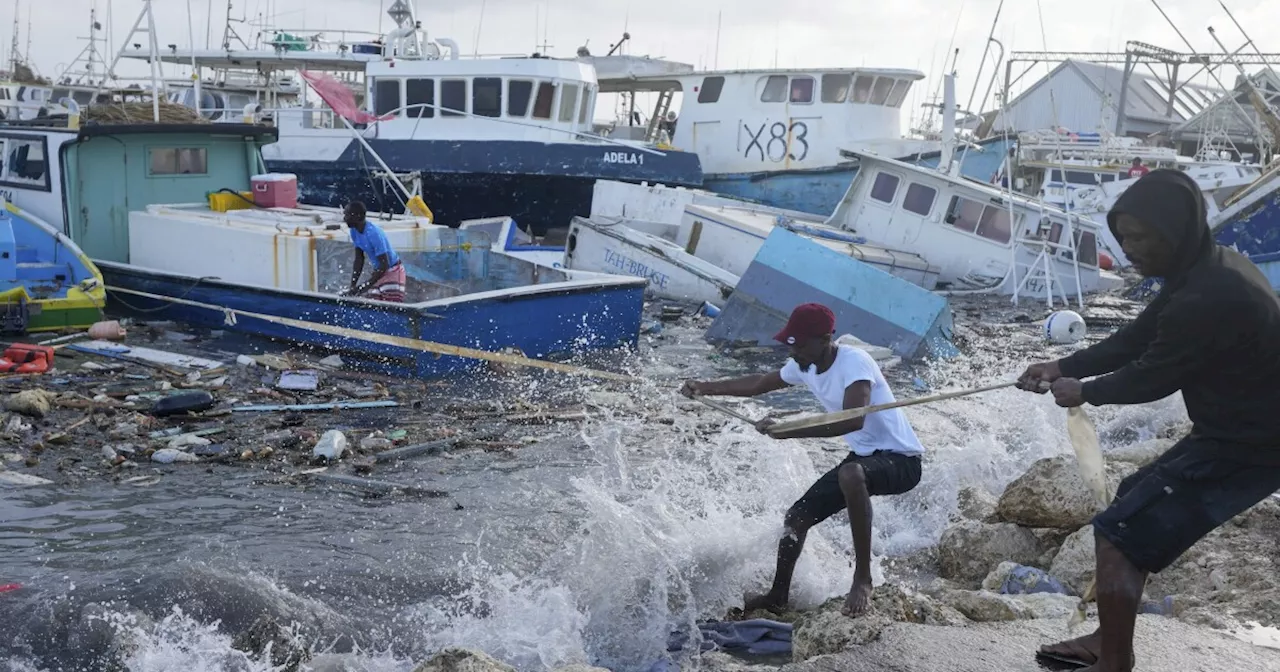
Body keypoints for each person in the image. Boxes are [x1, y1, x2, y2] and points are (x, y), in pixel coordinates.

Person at [1017, 169, 1280, 672]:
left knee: (1119, 531)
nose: (1129, 249)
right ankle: (1108, 638)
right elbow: (1135, 340)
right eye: (1123, 237)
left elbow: (1152, 377)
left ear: (1175, 229)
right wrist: (1061, 366)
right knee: (1133, 495)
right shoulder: (1205, 269)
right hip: (1241, 431)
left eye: (1141, 237)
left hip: (1251, 445)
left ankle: (1114, 662)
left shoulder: (1205, 295)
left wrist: (1083, 392)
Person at [681, 303, 925, 617]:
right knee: (796, 518)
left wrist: (789, 430)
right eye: (790, 344)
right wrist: (705, 387)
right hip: (865, 459)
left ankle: (862, 579)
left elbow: (852, 420)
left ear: (825, 339)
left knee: (850, 474)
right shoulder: (804, 365)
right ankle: (777, 595)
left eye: (799, 344)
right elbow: (758, 384)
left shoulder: (856, 362)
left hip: (902, 461)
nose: (792, 352)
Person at [343, 201, 406, 302]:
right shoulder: (354, 231)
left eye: (347, 215)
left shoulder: (373, 233)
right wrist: (353, 286)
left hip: (393, 271)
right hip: (378, 272)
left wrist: (365, 286)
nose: (344, 218)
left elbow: (384, 265)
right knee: (371, 304)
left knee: (391, 306)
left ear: (358, 216)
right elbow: (359, 259)